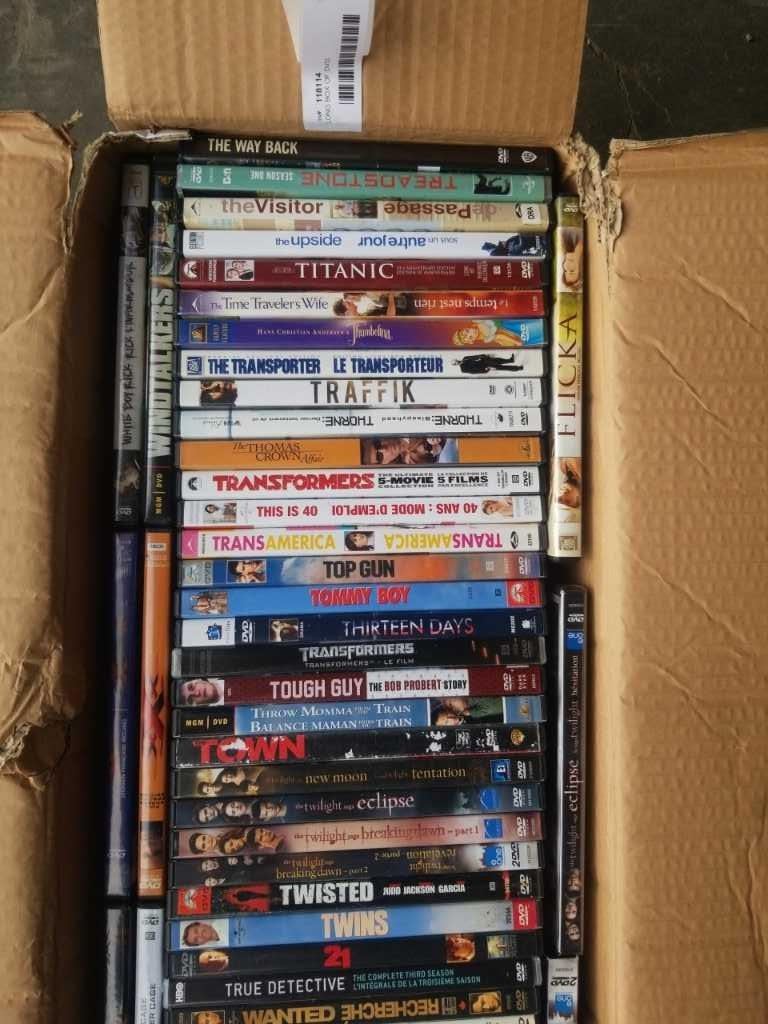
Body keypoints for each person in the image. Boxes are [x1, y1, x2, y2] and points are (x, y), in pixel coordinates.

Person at [451, 320, 524, 348]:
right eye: (470, 337)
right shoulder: (486, 338)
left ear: (466, 328)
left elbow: (498, 335)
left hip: (503, 322)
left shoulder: (477, 321)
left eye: (467, 331)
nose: (472, 333)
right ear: (471, 342)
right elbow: (499, 336)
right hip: (504, 330)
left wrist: (516, 342)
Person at [452, 353, 523, 375]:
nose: (457, 362)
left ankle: (510, 360)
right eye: (456, 363)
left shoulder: (464, 358)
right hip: (485, 367)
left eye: (456, 360)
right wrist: (484, 371)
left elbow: (474, 356)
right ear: (456, 365)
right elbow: (473, 372)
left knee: (498, 360)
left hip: (484, 361)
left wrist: (483, 356)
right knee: (502, 367)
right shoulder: (463, 369)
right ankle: (518, 368)